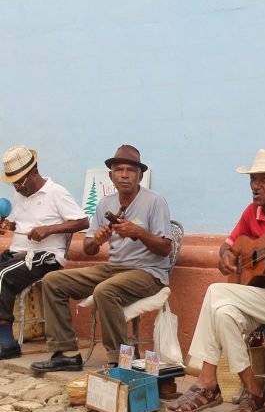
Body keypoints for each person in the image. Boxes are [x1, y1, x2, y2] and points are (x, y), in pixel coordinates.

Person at [167, 149, 265, 412]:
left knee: (215, 291)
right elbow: (229, 244)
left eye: (263, 179)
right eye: (252, 179)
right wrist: (226, 257)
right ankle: (253, 392)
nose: (254, 186)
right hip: (261, 295)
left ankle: (206, 381)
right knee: (224, 314)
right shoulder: (253, 212)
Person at [30, 144, 172, 372]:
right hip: (114, 269)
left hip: (148, 273)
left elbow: (166, 248)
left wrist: (139, 233)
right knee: (53, 281)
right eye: (119, 170)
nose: (124, 175)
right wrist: (97, 239)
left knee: (105, 290)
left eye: (130, 170)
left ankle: (122, 361)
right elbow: (88, 249)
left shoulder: (154, 201)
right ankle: (66, 353)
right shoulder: (105, 204)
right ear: (111, 175)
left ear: (140, 175)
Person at [0, 145, 89, 360]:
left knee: (2, 276)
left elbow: (83, 221)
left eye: (20, 181)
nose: (17, 187)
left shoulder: (56, 192)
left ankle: (6, 341)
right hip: (18, 253)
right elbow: (24, 222)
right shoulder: (21, 193)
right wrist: (10, 226)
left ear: (34, 172)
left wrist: (50, 229)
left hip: (45, 257)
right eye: (13, 183)